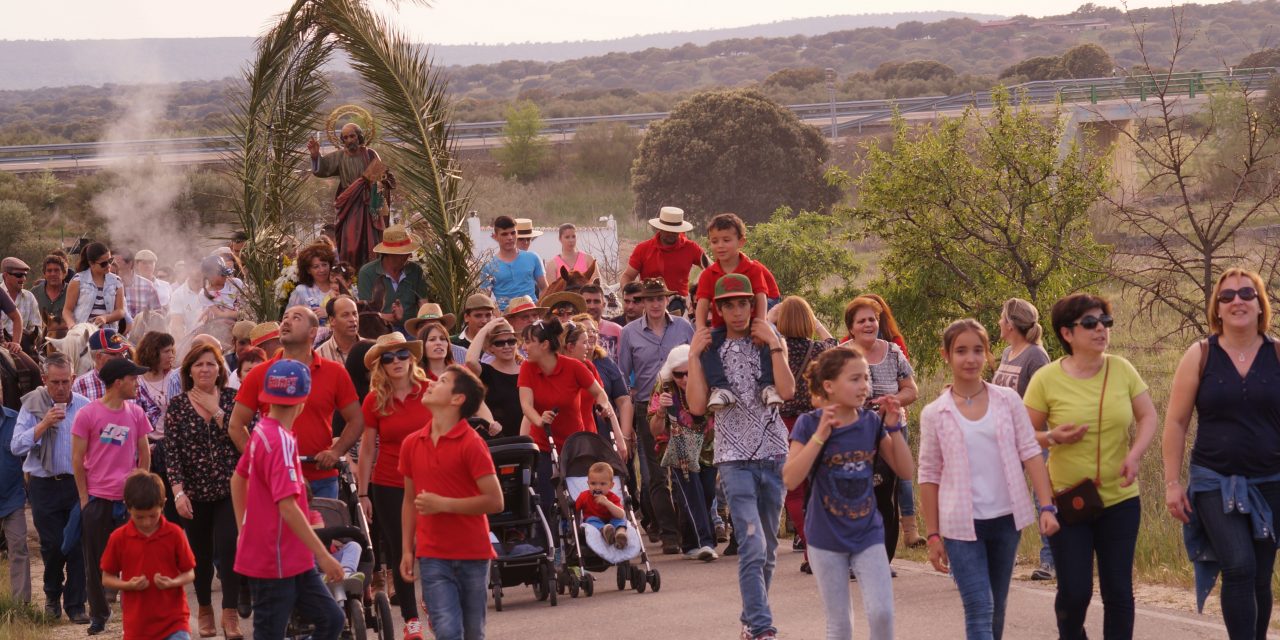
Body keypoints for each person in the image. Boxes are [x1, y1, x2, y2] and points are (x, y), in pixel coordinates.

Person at [1025, 293, 1158, 640]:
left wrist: (1134, 454)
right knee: (1075, 591)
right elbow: (1022, 435)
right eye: (1090, 323)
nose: (1100, 329)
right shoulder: (1046, 378)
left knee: (1118, 590)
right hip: (1069, 501)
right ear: (1067, 333)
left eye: (1105, 322)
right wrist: (1052, 436)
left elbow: (1148, 417)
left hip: (1121, 499)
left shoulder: (1122, 369)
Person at [918, 319, 1059, 640]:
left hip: (1006, 522)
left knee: (997, 608)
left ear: (988, 355)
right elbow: (928, 475)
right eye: (961, 351)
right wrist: (933, 534)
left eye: (978, 350)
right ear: (946, 355)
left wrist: (1047, 507)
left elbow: (1031, 451)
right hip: (960, 527)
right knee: (980, 607)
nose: (970, 359)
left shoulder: (1008, 401)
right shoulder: (934, 413)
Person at [1163, 268, 1280, 639]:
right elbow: (1176, 423)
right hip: (1213, 481)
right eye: (1227, 296)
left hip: (1272, 482)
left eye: (1246, 294)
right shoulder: (1199, 355)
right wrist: (1171, 483)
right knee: (1239, 567)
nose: (1237, 302)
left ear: (1261, 305)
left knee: (1261, 576)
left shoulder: (1278, 353)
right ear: (1217, 308)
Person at [687, 273, 796, 640]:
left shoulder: (767, 340)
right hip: (733, 457)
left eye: (743, 303)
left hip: (774, 452)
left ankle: (751, 621)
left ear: (753, 305)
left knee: (767, 547)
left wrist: (776, 344)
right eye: (729, 305)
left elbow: (787, 390)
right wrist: (692, 354)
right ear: (718, 309)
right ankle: (763, 627)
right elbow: (698, 406)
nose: (737, 311)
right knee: (750, 541)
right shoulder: (710, 347)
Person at [782, 347, 913, 640]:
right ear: (829, 386)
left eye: (865, 378)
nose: (864, 385)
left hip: (867, 533)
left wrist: (893, 428)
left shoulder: (870, 423)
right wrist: (820, 437)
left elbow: (905, 471)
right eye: (854, 379)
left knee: (882, 613)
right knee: (840, 626)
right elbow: (791, 479)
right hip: (825, 538)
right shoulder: (809, 423)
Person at [230, 359, 346, 640]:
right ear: (303, 399)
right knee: (272, 633)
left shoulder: (262, 431)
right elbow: (287, 506)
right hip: (275, 561)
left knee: (332, 619)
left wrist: (242, 530)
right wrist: (324, 556)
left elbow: (237, 480)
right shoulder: (278, 440)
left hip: (293, 558)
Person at [399, 365, 502, 640]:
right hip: (432, 555)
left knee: (473, 632)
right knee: (446, 630)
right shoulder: (411, 443)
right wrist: (407, 550)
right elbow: (409, 501)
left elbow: (495, 501)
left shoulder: (472, 443)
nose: (431, 383)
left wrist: (444, 504)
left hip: (474, 554)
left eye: (442, 381)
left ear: (458, 399)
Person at [230, 306, 364, 499]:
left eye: (296, 318)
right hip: (275, 478)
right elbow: (235, 425)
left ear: (313, 331)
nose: (286, 321)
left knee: (321, 529)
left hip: (322, 478)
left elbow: (356, 420)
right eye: (285, 317)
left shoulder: (335, 372)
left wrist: (336, 452)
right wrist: (260, 460)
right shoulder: (260, 374)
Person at [164, 342, 246, 639]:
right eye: (199, 364)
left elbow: (246, 443)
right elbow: (171, 453)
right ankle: (205, 610)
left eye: (211, 364)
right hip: (194, 493)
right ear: (189, 370)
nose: (205, 369)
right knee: (198, 555)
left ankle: (231, 613)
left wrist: (219, 412)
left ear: (220, 369)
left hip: (230, 488)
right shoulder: (176, 406)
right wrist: (178, 493)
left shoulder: (234, 399)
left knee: (229, 548)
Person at [519, 318, 625, 537]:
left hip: (574, 446)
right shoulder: (527, 368)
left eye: (529, 342)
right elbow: (526, 405)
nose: (524, 347)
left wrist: (603, 407)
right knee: (546, 499)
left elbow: (599, 393)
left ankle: (587, 539)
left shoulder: (573, 366)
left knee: (579, 497)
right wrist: (539, 420)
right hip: (544, 443)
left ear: (544, 345)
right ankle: (549, 549)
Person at [72, 357, 154, 635]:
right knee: (95, 563)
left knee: (135, 561)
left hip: (128, 503)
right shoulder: (88, 415)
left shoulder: (136, 413)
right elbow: (77, 457)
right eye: (133, 379)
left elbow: (145, 451)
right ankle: (99, 614)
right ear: (118, 382)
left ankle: (137, 614)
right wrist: (84, 499)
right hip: (97, 500)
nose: (137, 384)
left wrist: (142, 485)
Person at [9, 353, 90, 623]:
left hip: (76, 484)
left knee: (77, 545)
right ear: (44, 380)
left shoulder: (84, 407)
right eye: (54, 382)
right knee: (53, 545)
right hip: (44, 486)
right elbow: (16, 446)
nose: (60, 388)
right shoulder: (33, 405)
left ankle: (76, 604)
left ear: (74, 380)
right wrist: (43, 424)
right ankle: (53, 593)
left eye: (65, 381)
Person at [357, 332, 428, 638]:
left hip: (430, 480)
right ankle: (411, 621)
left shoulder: (431, 391)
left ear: (412, 358)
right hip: (389, 482)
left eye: (402, 355)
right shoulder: (374, 399)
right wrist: (362, 493)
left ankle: (433, 598)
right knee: (402, 549)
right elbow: (367, 448)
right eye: (388, 357)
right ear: (380, 365)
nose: (396, 361)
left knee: (432, 545)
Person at [618, 278, 694, 554]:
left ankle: (689, 531)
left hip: (683, 404)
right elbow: (622, 374)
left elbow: (696, 362)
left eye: (659, 298)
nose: (655, 304)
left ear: (666, 300)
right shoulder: (629, 333)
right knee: (656, 475)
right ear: (643, 302)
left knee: (686, 468)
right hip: (647, 406)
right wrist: (633, 407)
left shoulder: (684, 327)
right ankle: (669, 533)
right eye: (649, 299)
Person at [843, 295, 920, 557]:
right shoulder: (841, 355)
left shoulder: (893, 352)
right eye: (861, 320)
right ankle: (856, 555)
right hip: (853, 435)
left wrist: (893, 401)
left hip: (891, 430)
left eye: (872, 319)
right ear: (851, 327)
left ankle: (884, 559)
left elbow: (912, 390)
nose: (868, 324)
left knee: (887, 498)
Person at [772, 295, 838, 572]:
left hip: (784, 423)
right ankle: (825, 548)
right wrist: (819, 325)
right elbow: (836, 346)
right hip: (815, 422)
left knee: (794, 492)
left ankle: (812, 549)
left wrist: (769, 318)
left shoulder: (776, 349)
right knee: (819, 488)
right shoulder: (821, 349)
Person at [991, 297, 1055, 581]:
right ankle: (1005, 552)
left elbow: (1049, 398)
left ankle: (1050, 561)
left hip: (1032, 438)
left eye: (1002, 318)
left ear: (1011, 324)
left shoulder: (1036, 356)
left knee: (1041, 496)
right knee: (1004, 497)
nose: (998, 323)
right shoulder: (1007, 353)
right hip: (1005, 439)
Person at [692, 215, 780, 411]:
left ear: (741, 241)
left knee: (773, 337)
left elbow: (761, 297)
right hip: (722, 325)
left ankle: (768, 386)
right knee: (705, 345)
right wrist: (700, 329)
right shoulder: (708, 274)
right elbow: (702, 303)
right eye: (714, 241)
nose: (720, 246)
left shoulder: (754, 268)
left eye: (726, 240)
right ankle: (721, 388)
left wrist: (762, 323)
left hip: (752, 321)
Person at [100, 470, 195, 640]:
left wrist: (173, 582)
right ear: (127, 507)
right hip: (138, 626)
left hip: (174, 621)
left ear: (163, 505)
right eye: (139, 517)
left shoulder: (175, 534)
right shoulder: (119, 538)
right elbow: (106, 578)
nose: (147, 522)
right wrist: (128, 585)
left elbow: (189, 573)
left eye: (153, 515)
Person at [649, 344, 718, 561]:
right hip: (678, 443)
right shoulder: (664, 387)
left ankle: (689, 542)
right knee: (692, 494)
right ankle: (705, 542)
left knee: (707, 493)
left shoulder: (708, 381)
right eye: (679, 374)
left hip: (708, 445)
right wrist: (661, 411)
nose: (685, 379)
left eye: (689, 372)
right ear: (671, 372)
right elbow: (654, 430)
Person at [308, 122, 393, 268]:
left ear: (359, 137)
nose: (349, 140)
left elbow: (382, 177)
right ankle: (351, 273)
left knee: (370, 240)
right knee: (350, 242)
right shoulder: (340, 156)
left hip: (368, 205)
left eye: (352, 136)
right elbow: (323, 168)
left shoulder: (370, 154)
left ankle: (371, 270)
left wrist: (377, 187)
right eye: (345, 137)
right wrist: (316, 156)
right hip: (349, 205)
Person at [621, 207, 707, 314]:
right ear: (660, 229)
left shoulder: (691, 248)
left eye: (675, 231)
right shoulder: (643, 249)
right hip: (650, 303)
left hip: (680, 305)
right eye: (667, 230)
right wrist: (631, 298)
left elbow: (710, 268)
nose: (671, 233)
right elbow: (628, 276)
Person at [564, 317, 632, 451]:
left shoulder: (593, 365)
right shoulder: (557, 369)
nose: (590, 341)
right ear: (570, 345)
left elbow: (610, 399)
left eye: (594, 331)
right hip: (568, 439)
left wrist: (622, 438)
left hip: (596, 435)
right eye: (584, 340)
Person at [356, 225, 429, 331]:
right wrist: (392, 317)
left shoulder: (415, 270)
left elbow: (423, 303)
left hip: (411, 330)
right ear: (388, 253)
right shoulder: (367, 273)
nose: (407, 255)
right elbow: (366, 313)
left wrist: (425, 325)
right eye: (402, 253)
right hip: (379, 330)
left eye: (408, 251)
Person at [465, 318, 523, 439]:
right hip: (498, 438)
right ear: (490, 348)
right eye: (500, 343)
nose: (507, 346)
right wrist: (486, 328)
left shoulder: (526, 370)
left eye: (511, 341)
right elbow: (470, 361)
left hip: (527, 438)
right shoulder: (486, 372)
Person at [0, 379, 31, 606]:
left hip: (12, 497)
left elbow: (26, 455)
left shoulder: (14, 418)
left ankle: (22, 607)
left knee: (19, 547)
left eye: (0, 388)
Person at [481, 215, 547, 311]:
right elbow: (485, 299)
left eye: (513, 233)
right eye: (504, 234)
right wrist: (499, 316)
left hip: (531, 313)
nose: (510, 238)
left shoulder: (533, 257)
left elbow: (545, 288)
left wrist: (537, 308)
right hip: (506, 317)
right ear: (495, 237)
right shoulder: (489, 266)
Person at [62, 242, 126, 330]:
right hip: (83, 333)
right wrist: (72, 325)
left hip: (108, 333)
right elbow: (67, 310)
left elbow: (121, 311)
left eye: (110, 261)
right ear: (91, 264)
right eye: (103, 264)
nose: (108, 265)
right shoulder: (77, 280)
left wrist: (106, 318)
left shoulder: (117, 281)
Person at [576, 461, 630, 549]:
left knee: (619, 520)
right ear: (588, 483)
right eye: (593, 483)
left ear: (611, 485)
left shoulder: (613, 497)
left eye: (602, 484)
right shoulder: (584, 496)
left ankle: (621, 534)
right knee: (591, 520)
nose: (597, 487)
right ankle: (606, 531)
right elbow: (575, 510)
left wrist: (607, 503)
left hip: (611, 520)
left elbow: (621, 515)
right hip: (596, 522)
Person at [289, 242, 339, 324]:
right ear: (308, 270)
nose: (322, 270)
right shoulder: (301, 291)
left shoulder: (340, 286)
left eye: (324, 265)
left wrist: (329, 313)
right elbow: (289, 319)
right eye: (316, 267)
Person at [2, 257, 41, 347]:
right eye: (19, 275)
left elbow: (37, 329)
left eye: (25, 275)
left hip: (23, 347)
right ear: (6, 275)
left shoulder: (29, 297)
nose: (23, 279)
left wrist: (21, 340)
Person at [113, 251, 162, 320]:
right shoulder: (108, 284)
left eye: (117, 262)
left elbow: (157, 314)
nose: (111, 266)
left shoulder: (148, 286)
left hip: (140, 329)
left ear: (129, 264)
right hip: (113, 329)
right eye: (110, 262)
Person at [579, 284, 622, 361]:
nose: (592, 306)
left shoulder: (618, 330)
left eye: (596, 301)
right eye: (587, 302)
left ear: (604, 305)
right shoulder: (572, 330)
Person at [33, 253, 71, 340]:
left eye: (57, 270)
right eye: (49, 271)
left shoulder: (72, 291)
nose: (53, 274)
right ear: (44, 274)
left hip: (66, 341)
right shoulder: (34, 292)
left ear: (64, 273)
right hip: (39, 343)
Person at [317, 295, 361, 364]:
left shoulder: (372, 349)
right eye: (345, 315)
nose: (353, 319)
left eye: (355, 314)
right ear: (332, 320)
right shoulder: (320, 356)